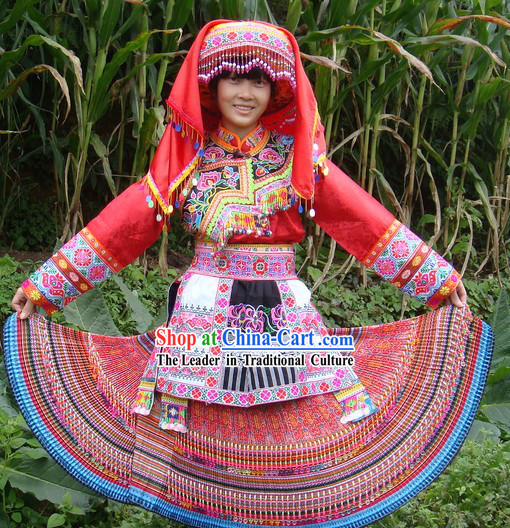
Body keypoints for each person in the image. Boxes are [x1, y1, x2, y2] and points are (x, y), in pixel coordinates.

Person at [4, 19, 490, 528]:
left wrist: (436, 278)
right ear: (211, 85)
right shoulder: (187, 160)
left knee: (290, 425)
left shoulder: (297, 159)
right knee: (195, 433)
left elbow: (360, 219)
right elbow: (127, 224)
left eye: (259, 80)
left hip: (282, 315)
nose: (245, 92)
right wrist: (47, 286)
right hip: (201, 315)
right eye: (234, 78)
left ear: (276, 88)